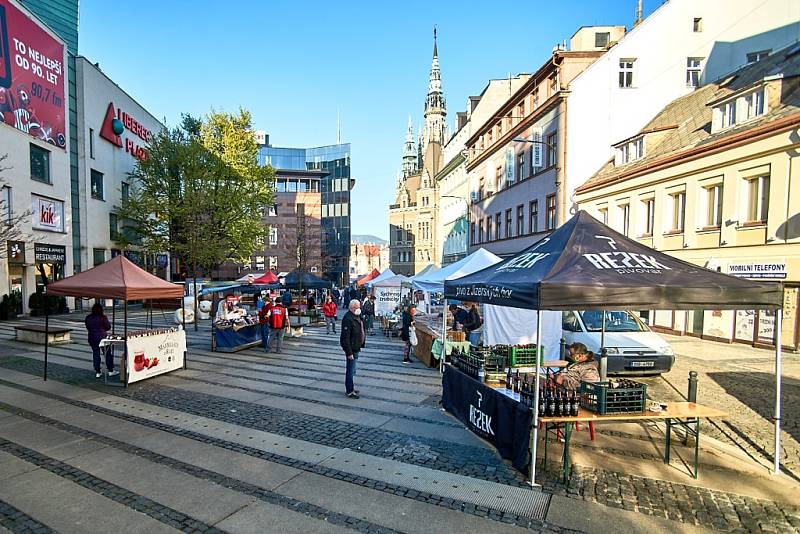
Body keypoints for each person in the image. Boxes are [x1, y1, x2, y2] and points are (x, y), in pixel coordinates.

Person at [340, 299, 366, 399]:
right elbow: (344, 338)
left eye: (359, 307)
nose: (359, 309)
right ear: (352, 308)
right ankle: (349, 391)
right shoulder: (348, 318)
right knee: (350, 370)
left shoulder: (356, 316)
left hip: (356, 347)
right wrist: (349, 352)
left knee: (353, 370)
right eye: (357, 307)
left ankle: (351, 387)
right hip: (351, 349)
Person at [85, 303, 116, 378]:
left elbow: (88, 327)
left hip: (92, 338)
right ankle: (110, 370)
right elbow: (108, 327)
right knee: (107, 354)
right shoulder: (103, 317)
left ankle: (98, 372)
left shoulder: (88, 317)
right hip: (102, 338)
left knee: (96, 354)